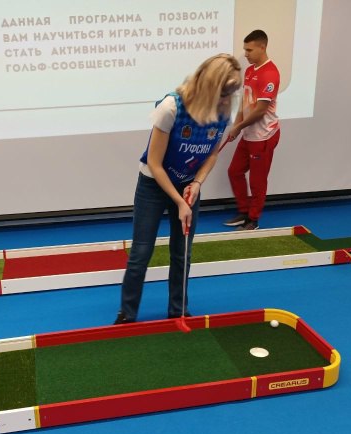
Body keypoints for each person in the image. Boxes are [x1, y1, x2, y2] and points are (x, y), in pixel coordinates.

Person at [115, 53, 242, 325]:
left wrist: (196, 184)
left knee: (182, 251)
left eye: (230, 95)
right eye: (223, 94)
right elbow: (155, 163)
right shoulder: (171, 107)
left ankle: (178, 310)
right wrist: (179, 202)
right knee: (141, 252)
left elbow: (212, 154)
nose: (226, 101)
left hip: (188, 185)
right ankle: (127, 314)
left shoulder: (223, 112)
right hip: (153, 183)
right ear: (209, 86)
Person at [224, 30, 281, 231]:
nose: (246, 54)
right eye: (245, 50)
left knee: (257, 181)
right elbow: (245, 103)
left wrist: (239, 127)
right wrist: (236, 125)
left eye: (249, 50)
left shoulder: (270, 73)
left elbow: (260, 110)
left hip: (263, 136)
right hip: (249, 134)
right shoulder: (249, 71)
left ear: (262, 47)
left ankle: (253, 220)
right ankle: (244, 211)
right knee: (234, 171)